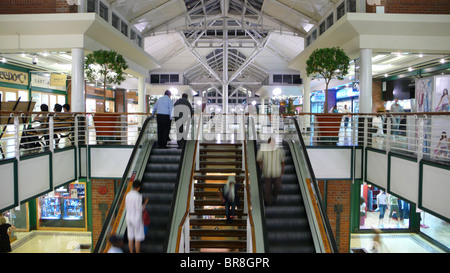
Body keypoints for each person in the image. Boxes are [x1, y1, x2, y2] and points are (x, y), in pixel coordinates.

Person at [257, 136, 285, 206]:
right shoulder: (263, 149)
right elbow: (259, 158)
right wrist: (261, 164)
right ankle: (269, 204)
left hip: (277, 173)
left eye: (273, 143)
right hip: (267, 173)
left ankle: (274, 194)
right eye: (271, 143)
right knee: (267, 190)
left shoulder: (279, 150)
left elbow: (283, 161)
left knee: (278, 186)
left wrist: (282, 170)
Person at [125, 180, 148, 253]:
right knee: (137, 238)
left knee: (130, 237)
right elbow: (139, 209)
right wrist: (145, 203)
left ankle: (131, 252)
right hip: (136, 219)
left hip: (128, 218)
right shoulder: (139, 196)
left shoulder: (127, 195)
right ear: (138, 187)